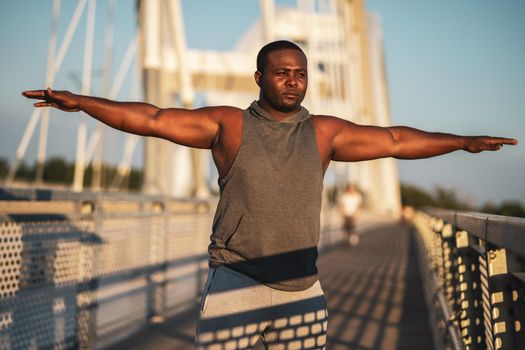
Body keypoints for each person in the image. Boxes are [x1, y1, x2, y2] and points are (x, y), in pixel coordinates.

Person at [23, 40, 517, 349]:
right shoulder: (229, 125)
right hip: (234, 282)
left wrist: (462, 142)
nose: (292, 80)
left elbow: (393, 140)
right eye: (282, 72)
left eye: (300, 73)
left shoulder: (323, 133)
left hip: (303, 290)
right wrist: (83, 102)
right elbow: (153, 119)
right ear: (259, 77)